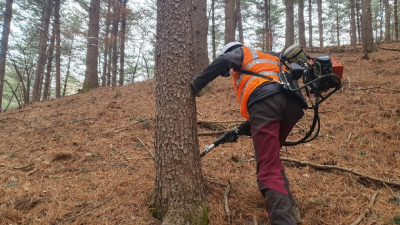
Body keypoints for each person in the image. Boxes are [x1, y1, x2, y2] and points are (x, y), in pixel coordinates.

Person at [191, 42, 304, 225]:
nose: (231, 72)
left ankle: (283, 221)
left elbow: (226, 60)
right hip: (293, 105)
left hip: (266, 103)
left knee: (267, 169)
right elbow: (274, 101)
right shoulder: (269, 58)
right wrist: (238, 130)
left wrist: (197, 84)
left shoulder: (242, 53)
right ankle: (292, 213)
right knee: (271, 161)